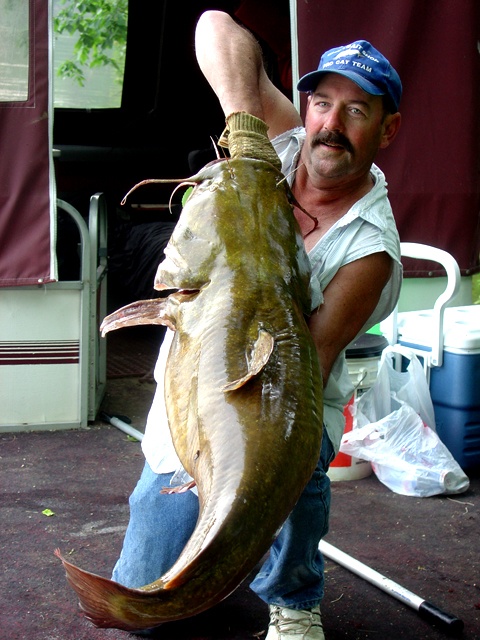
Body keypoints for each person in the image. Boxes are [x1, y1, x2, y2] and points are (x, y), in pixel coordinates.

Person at [112, 10, 403, 640]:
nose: (331, 124)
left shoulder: (370, 252)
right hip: (194, 385)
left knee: (290, 478)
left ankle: (293, 594)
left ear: (388, 129)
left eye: (358, 111)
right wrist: (243, 125)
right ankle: (221, 549)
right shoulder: (280, 141)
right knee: (142, 600)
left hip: (288, 398)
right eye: (323, 102)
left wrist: (247, 474)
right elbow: (214, 24)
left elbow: (305, 370)